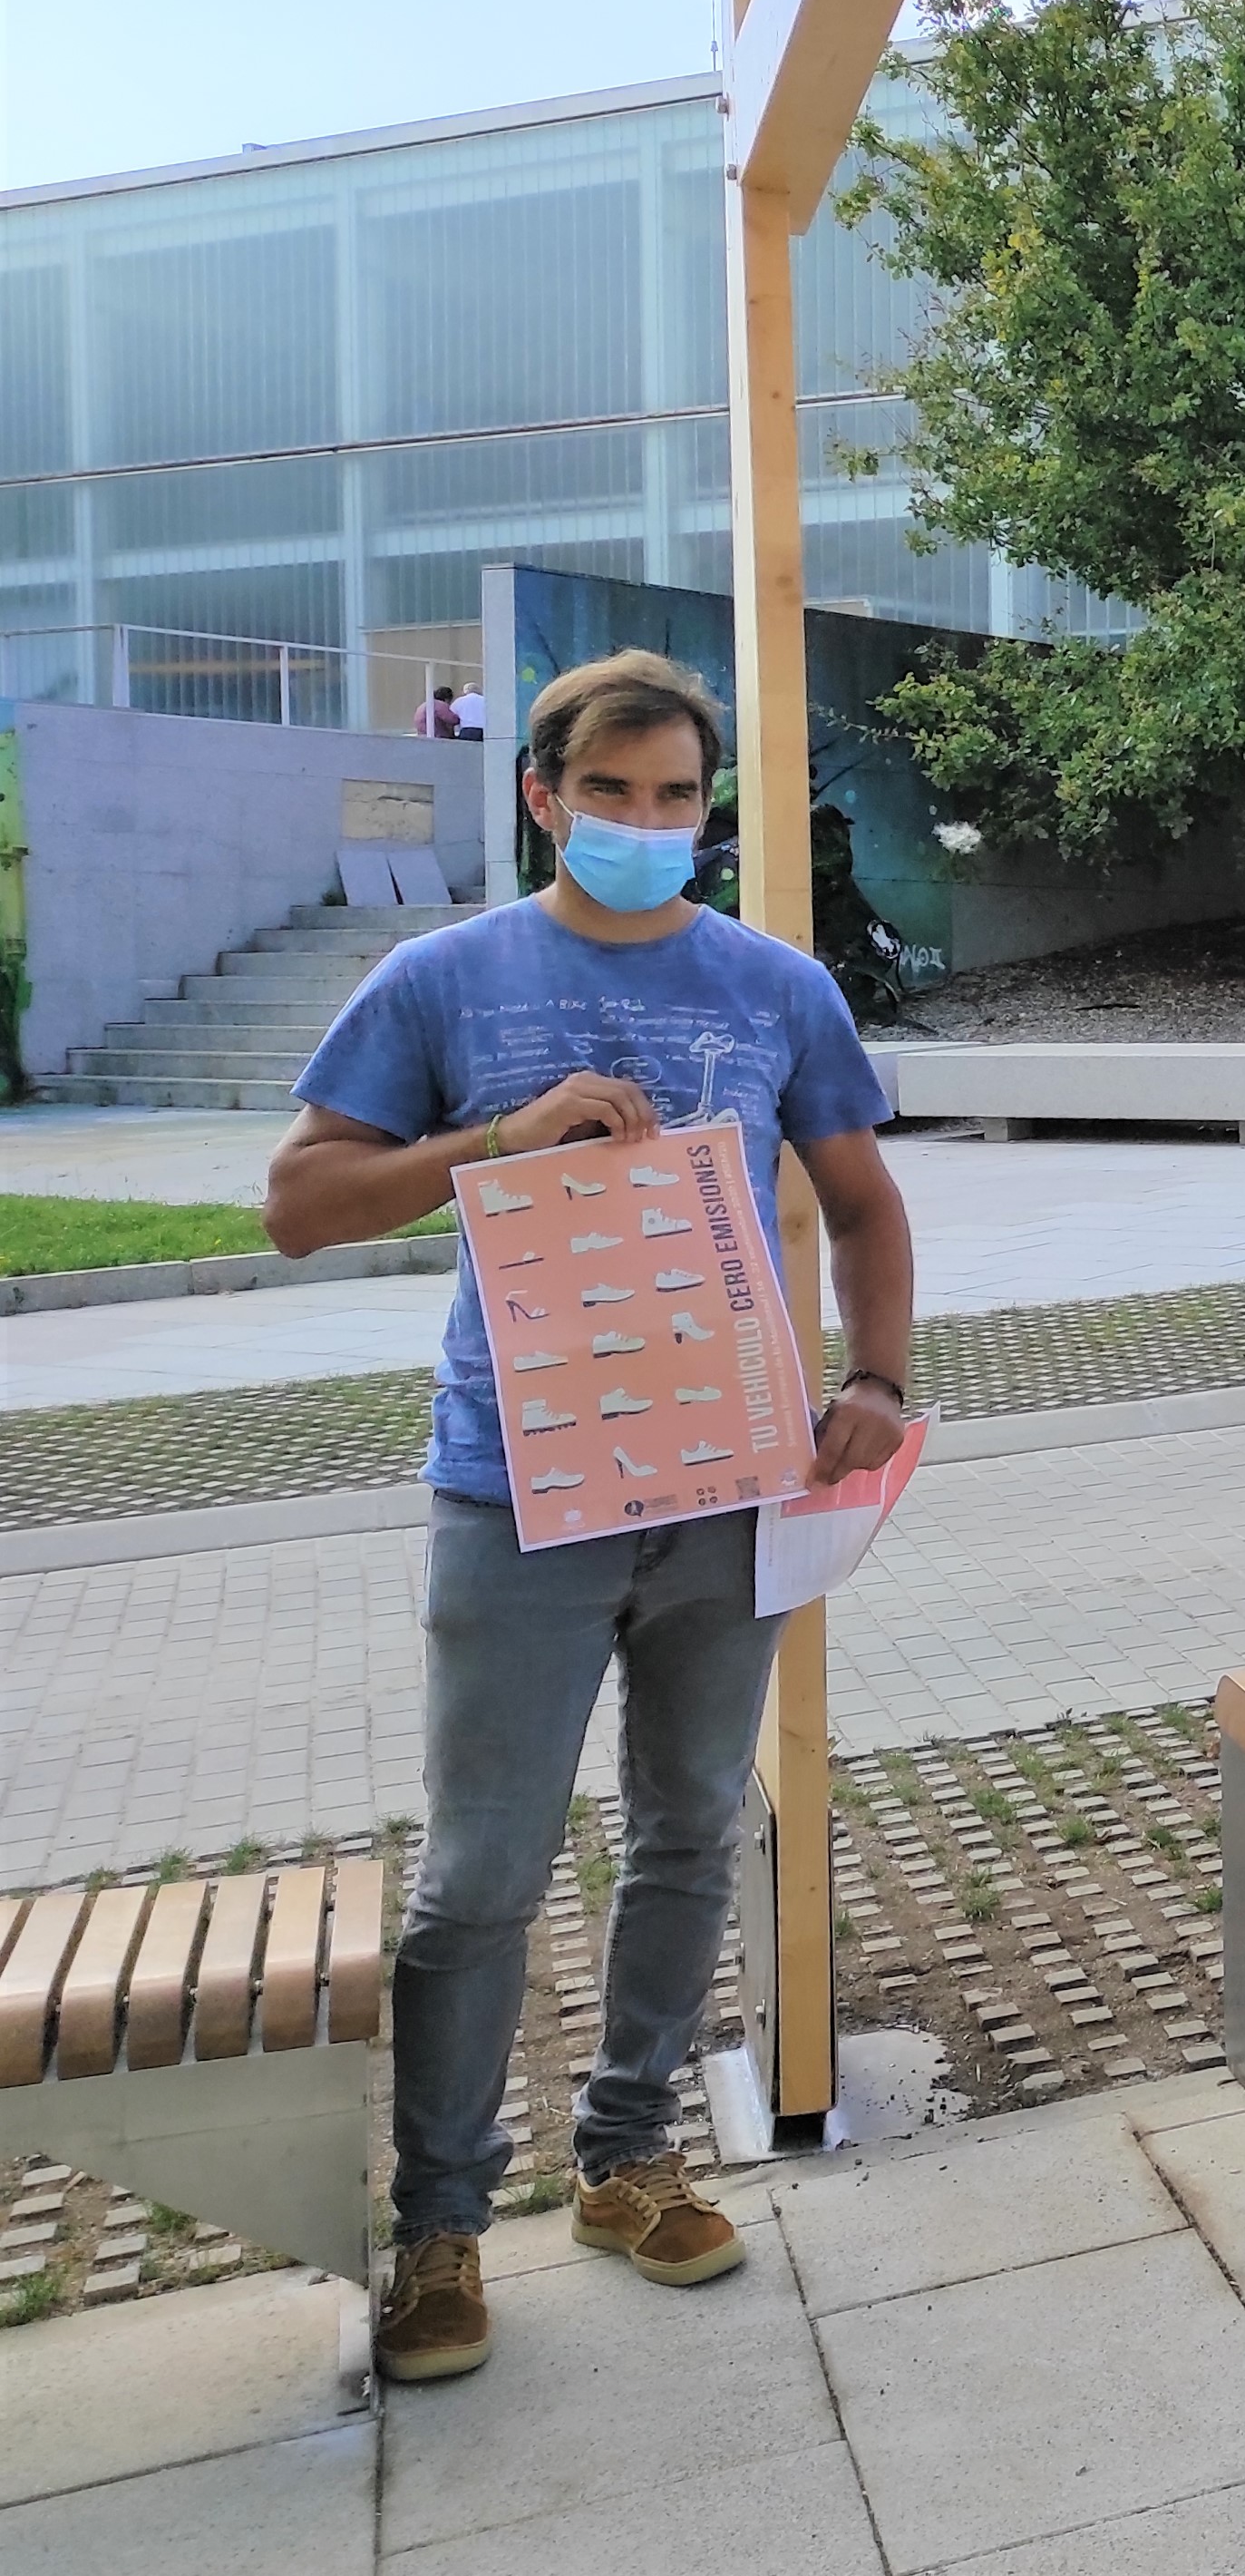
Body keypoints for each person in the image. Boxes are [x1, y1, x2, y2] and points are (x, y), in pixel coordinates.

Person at [267, 649, 913, 2384]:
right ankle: (440, 2227)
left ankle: (628, 2158)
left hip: (731, 1483)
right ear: (542, 794)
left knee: (693, 1826)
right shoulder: (442, 977)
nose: (648, 825)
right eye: (612, 793)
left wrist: (879, 1378)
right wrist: (498, 1139)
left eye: (678, 798)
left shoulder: (776, 986)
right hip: (517, 1485)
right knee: (479, 1872)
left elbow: (864, 1201)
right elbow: (301, 1204)